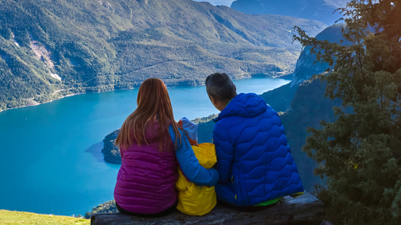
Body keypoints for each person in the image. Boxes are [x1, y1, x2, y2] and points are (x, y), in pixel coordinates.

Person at [113, 78, 219, 216]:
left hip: (124, 203)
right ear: (165, 98)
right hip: (159, 205)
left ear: (141, 97)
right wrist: (215, 175)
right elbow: (193, 174)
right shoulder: (173, 131)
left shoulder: (127, 126)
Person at [205, 72, 303, 209]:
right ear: (234, 87)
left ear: (212, 99)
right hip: (282, 190)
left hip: (252, 200)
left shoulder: (223, 127)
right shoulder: (269, 110)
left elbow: (222, 176)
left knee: (203, 186)